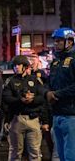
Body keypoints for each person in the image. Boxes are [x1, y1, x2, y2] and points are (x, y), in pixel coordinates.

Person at [3, 55, 45, 160]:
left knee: (35, 152)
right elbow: (6, 98)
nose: (16, 67)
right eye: (15, 65)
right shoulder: (10, 81)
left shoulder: (35, 80)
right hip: (17, 119)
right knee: (15, 153)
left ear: (25, 66)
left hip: (33, 119)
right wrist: (20, 100)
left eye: (19, 65)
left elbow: (43, 97)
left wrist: (32, 100)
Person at [45, 27, 75, 160]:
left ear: (69, 42)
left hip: (71, 115)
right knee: (61, 155)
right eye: (55, 41)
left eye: (59, 41)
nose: (56, 44)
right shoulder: (55, 62)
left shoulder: (74, 60)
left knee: (70, 154)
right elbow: (48, 83)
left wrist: (56, 94)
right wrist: (47, 93)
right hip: (56, 114)